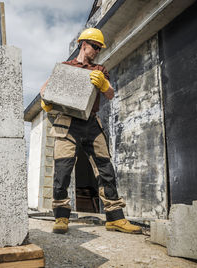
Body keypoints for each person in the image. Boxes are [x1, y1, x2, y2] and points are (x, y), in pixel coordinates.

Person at [40, 28, 142, 235]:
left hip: (91, 123)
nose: (97, 51)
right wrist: (46, 101)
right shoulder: (65, 67)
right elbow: (45, 90)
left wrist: (104, 84)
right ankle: (61, 216)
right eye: (95, 46)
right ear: (83, 44)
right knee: (63, 169)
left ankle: (115, 219)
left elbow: (110, 94)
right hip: (67, 123)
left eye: (99, 48)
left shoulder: (100, 70)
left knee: (106, 169)